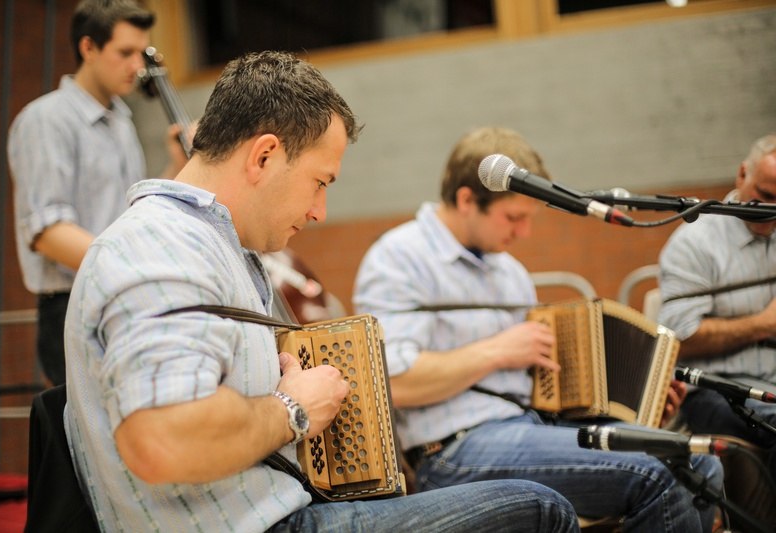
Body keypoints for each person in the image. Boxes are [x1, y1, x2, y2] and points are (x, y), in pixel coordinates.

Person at [62, 52, 580, 532]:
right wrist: (291, 408)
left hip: (281, 508)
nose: (319, 211)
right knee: (541, 510)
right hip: (258, 525)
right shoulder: (161, 247)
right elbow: (162, 439)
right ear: (264, 156)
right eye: (320, 182)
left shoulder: (209, 244)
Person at [353, 126, 724, 532]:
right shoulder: (398, 257)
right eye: (514, 218)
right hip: (453, 449)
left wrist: (640, 403)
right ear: (466, 200)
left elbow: (540, 386)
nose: (524, 233)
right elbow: (395, 383)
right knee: (661, 472)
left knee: (697, 464)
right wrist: (499, 351)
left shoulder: (509, 271)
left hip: (533, 426)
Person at [7, 0, 188, 386]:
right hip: (73, 304)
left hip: (118, 295)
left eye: (141, 52)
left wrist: (177, 166)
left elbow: (132, 214)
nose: (137, 66)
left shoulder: (121, 121)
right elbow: (47, 232)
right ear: (88, 47)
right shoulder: (46, 119)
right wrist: (133, 268)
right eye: (125, 53)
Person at [658, 133, 776, 477]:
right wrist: (764, 324)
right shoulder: (695, 243)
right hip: (715, 390)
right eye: (766, 196)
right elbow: (680, 338)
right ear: (742, 174)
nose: (772, 212)